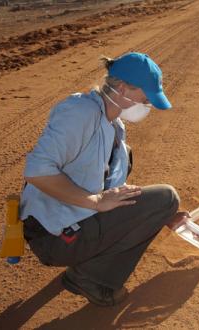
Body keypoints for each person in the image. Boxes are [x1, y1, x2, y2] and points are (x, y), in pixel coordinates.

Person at [20, 52, 186, 306]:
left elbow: (114, 191)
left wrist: (160, 216)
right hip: (51, 237)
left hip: (73, 219)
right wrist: (96, 201)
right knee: (167, 197)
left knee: (136, 172)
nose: (148, 106)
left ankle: (88, 260)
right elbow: (37, 171)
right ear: (122, 89)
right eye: (145, 99)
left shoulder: (114, 125)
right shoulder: (80, 111)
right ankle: (87, 276)